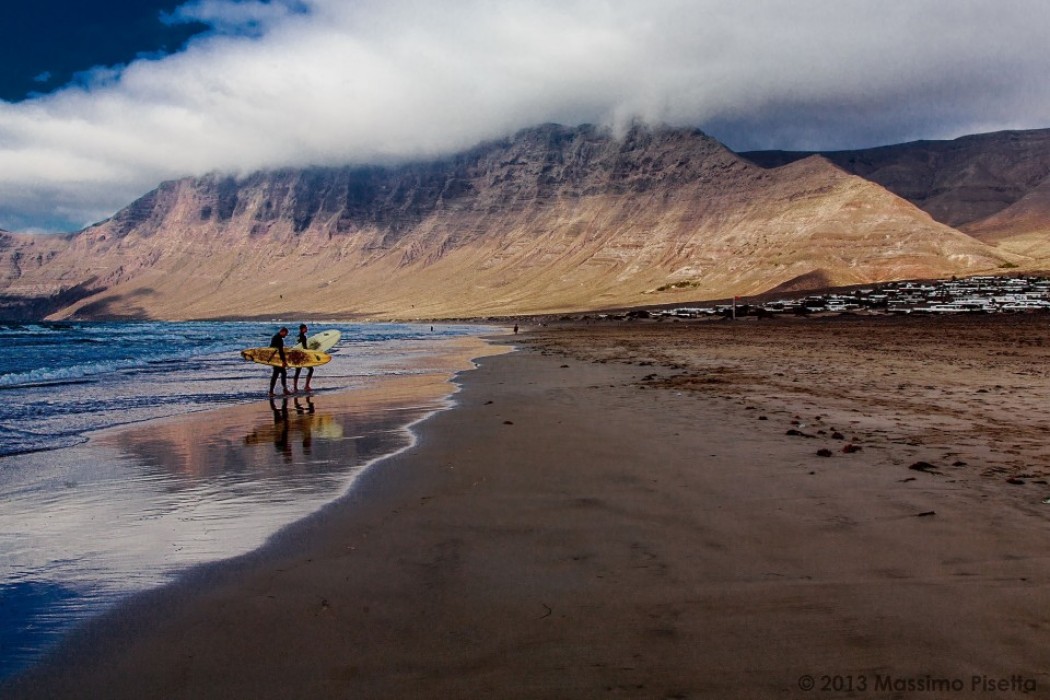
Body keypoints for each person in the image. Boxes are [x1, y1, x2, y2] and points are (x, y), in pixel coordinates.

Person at [268, 327, 290, 396]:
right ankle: (283, 390)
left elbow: (271, 348)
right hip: (277, 360)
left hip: (275, 359)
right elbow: (280, 352)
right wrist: (284, 361)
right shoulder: (279, 339)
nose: (285, 336)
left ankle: (273, 391)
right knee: (280, 374)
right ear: (282, 332)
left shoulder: (275, 337)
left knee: (278, 374)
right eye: (285, 334)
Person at [293, 323, 314, 393]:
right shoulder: (303, 337)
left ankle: (295, 388)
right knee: (311, 370)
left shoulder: (298, 337)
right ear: (303, 329)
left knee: (297, 372)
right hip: (302, 356)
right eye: (306, 328)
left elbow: (296, 347)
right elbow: (304, 348)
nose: (307, 329)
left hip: (297, 355)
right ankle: (306, 386)